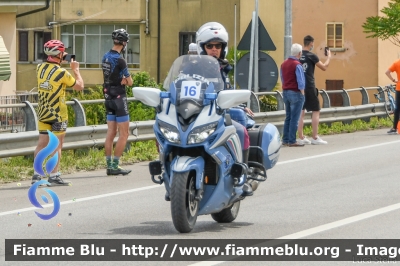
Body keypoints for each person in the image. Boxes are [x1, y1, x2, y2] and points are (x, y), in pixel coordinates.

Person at [196, 22, 254, 196]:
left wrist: (240, 105)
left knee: (241, 130)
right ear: (202, 47)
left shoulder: (223, 68)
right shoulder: (193, 67)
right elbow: (179, 86)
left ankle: (241, 176)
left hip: (218, 115)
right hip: (197, 114)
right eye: (210, 46)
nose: (214, 49)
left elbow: (228, 92)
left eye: (218, 46)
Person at [31, 40, 84, 185]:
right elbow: (79, 86)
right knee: (57, 145)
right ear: (59, 54)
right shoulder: (62, 73)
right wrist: (76, 69)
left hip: (43, 113)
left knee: (41, 144)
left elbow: (52, 63)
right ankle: (54, 176)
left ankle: (37, 174)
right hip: (58, 115)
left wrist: (61, 55)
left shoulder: (39, 68)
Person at [101, 29, 133, 176]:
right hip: (119, 97)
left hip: (108, 97)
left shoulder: (105, 57)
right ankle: (115, 165)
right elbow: (130, 82)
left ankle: (108, 165)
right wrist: (124, 80)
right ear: (124, 43)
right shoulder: (120, 60)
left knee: (110, 132)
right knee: (124, 133)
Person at [297, 35, 331, 145]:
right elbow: (324, 67)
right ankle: (315, 137)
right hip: (309, 86)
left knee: (301, 112)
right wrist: (329, 56)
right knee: (316, 110)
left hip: (299, 87)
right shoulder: (312, 56)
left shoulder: (298, 55)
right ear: (311, 43)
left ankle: (301, 137)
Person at [281, 43, 306, 147]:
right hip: (295, 92)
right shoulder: (297, 65)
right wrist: (302, 94)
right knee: (295, 118)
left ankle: (285, 139)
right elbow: (300, 81)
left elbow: (282, 78)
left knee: (288, 117)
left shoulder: (283, 64)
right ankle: (292, 140)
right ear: (299, 53)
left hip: (285, 91)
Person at [385, 63, 400, 134]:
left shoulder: (397, 63)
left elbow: (387, 72)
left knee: (397, 109)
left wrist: (394, 80)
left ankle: (394, 128)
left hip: (399, 88)